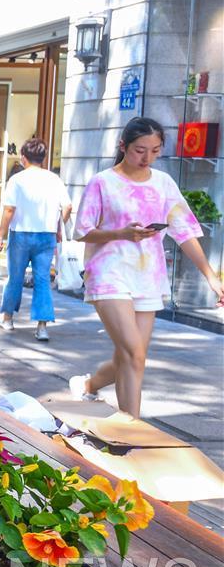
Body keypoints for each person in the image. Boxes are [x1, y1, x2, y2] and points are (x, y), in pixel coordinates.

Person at [70, 117, 223, 417]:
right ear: (123, 146)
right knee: (134, 352)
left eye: (155, 151)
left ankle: (89, 385)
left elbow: (185, 232)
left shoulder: (163, 183)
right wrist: (121, 233)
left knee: (133, 357)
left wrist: (211, 277)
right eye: (140, 150)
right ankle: (130, 431)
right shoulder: (103, 181)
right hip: (108, 272)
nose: (147, 158)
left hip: (148, 276)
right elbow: (81, 230)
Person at [0, 138, 72, 342]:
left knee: (15, 277)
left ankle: (7, 318)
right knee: (43, 280)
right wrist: (58, 225)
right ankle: (42, 327)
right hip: (46, 235)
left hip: (21, 235)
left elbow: (9, 209)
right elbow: (67, 206)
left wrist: (0, 234)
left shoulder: (17, 180)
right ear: (43, 158)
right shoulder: (54, 179)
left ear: (23, 157)